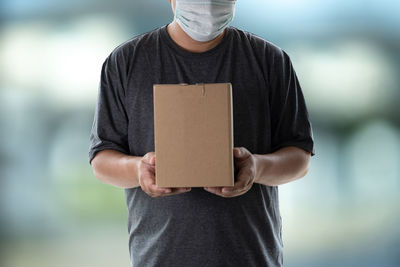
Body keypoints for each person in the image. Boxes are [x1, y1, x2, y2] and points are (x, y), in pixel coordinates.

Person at [88, 0, 315, 266]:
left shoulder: (270, 60)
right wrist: (139, 169)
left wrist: (257, 167)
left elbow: (300, 158)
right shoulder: (126, 62)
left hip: (250, 256)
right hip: (160, 258)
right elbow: (102, 160)